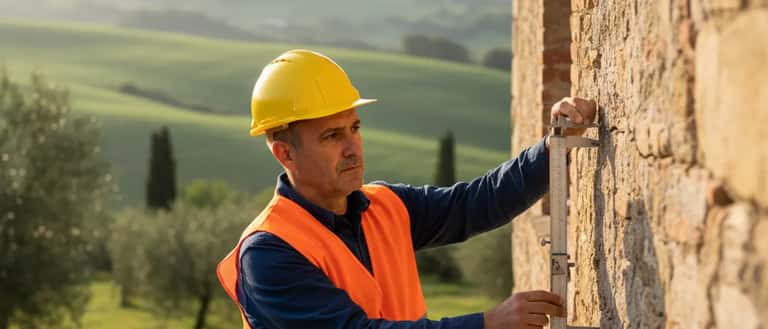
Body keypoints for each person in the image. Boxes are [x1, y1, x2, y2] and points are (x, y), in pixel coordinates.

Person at [217, 49, 597, 329]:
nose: (353, 147)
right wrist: (486, 324)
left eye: (355, 128)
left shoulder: (386, 206)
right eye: (331, 136)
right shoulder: (268, 253)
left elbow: (475, 203)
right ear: (285, 153)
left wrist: (552, 147)